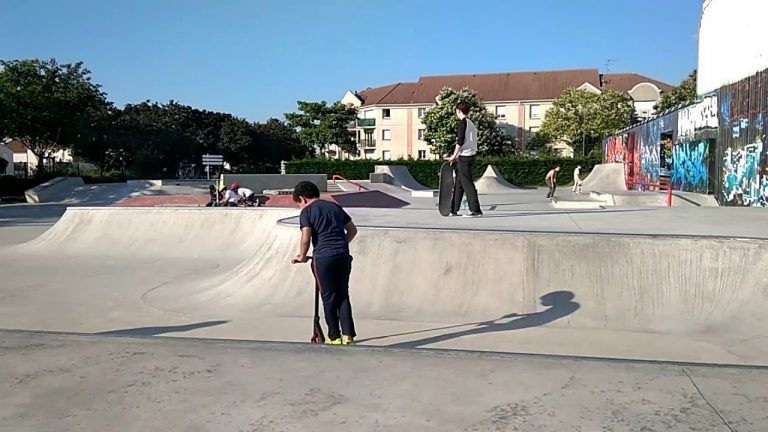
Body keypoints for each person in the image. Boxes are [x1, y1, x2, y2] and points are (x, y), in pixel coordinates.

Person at [290, 181, 358, 346]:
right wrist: (341, 245)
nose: (300, 207)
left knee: (328, 297)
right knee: (343, 295)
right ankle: (348, 335)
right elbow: (352, 230)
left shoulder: (307, 211)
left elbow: (306, 237)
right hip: (342, 255)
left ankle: (334, 336)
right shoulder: (334, 207)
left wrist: (302, 256)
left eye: (298, 203)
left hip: (323, 258)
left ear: (302, 199)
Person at [446, 102, 482, 217]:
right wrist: (457, 156)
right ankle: (454, 209)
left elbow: (460, 141)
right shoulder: (471, 123)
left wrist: (453, 155)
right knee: (459, 184)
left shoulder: (463, 123)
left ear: (459, 111)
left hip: (465, 157)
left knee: (467, 183)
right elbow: (468, 142)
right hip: (468, 155)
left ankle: (476, 210)